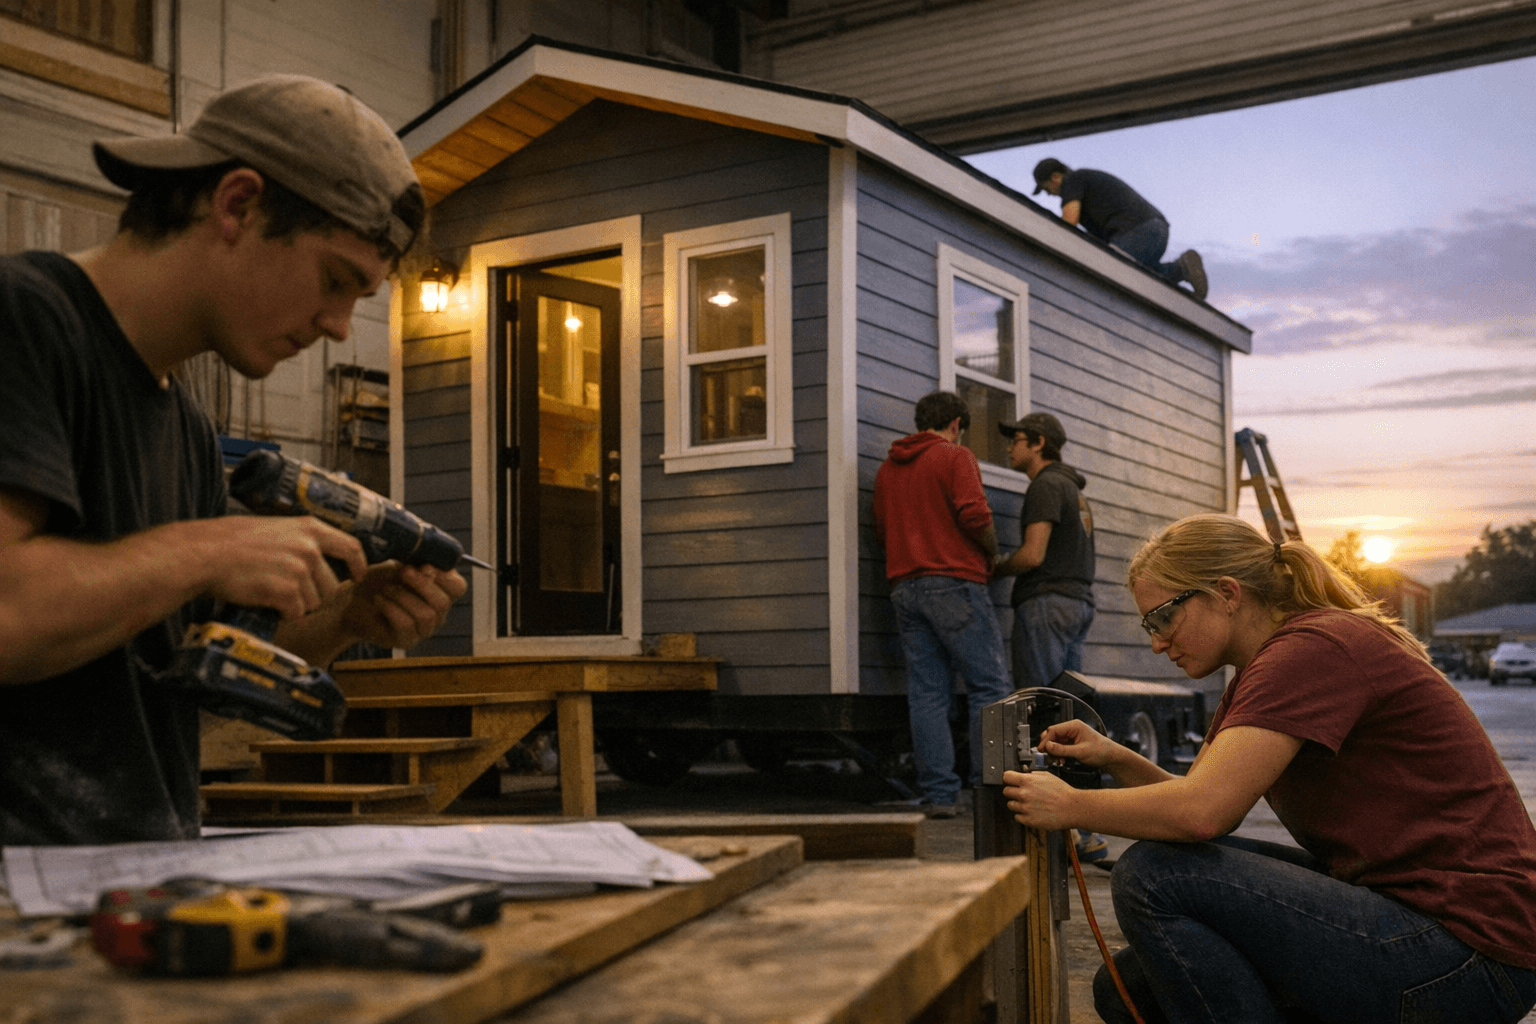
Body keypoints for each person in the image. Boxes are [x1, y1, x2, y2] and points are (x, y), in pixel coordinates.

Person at [0, 74, 467, 846]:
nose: (340, 326)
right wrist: (208, 547)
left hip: (128, 887)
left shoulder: (181, 422)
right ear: (238, 205)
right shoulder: (24, 322)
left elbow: (194, 661)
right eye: (335, 279)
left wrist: (347, 614)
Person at [1002, 514, 1536, 1024]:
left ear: (1227, 594)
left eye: (1164, 616)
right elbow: (1204, 802)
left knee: (1154, 875)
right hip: (1421, 927)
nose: (1156, 641)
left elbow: (1203, 815)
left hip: (1469, 956)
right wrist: (1115, 757)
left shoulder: (1311, 650)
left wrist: (1070, 805)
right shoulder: (1265, 668)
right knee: (1130, 990)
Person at [873, 391, 1014, 818]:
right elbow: (975, 515)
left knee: (927, 694)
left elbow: (883, 530)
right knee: (990, 689)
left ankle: (939, 795)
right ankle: (989, 790)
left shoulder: (886, 470)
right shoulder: (955, 457)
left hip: (905, 586)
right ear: (955, 423)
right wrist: (990, 552)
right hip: (954, 582)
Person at [994, 410, 1105, 863]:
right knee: (1069, 712)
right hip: (1078, 605)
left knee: (1039, 712)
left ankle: (1067, 830)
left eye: (1015, 440)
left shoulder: (1043, 485)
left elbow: (1033, 554)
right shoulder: (1074, 490)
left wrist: (995, 566)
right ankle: (1087, 830)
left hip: (1046, 605)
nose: (1009, 447)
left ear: (1038, 443)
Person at [1032, 157, 1208, 301]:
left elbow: (1068, 225)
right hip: (1155, 229)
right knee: (1144, 279)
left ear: (1056, 178)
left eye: (1046, 188)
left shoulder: (1073, 180)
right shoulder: (1089, 194)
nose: (1048, 193)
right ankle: (1181, 269)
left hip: (1138, 230)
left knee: (1110, 273)